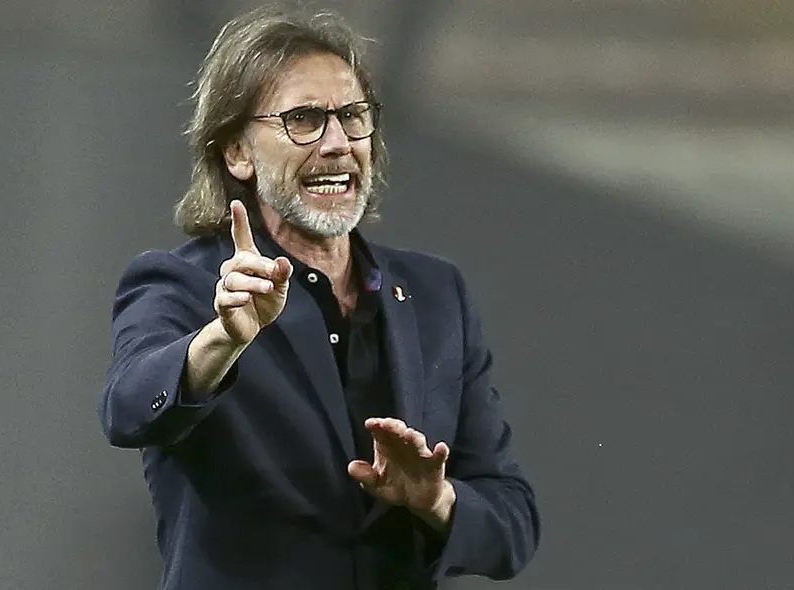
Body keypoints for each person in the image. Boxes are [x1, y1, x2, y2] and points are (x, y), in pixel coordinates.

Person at [98, 5, 540, 589]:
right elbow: (128, 410)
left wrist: (435, 499)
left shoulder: (437, 294)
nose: (337, 144)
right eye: (303, 119)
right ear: (238, 152)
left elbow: (512, 526)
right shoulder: (186, 286)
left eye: (353, 116)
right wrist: (221, 340)